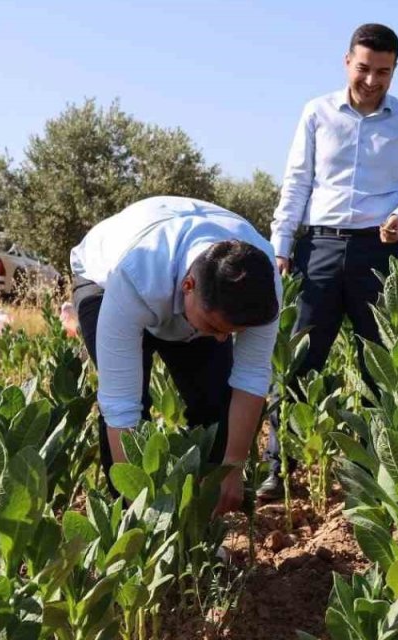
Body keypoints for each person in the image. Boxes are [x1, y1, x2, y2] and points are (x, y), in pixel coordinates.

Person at [260, 22, 398, 500]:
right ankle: (279, 469)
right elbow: (296, 183)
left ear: (395, 69)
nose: (372, 80)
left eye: (383, 71)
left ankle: (383, 469)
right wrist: (280, 246)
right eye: (364, 68)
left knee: (384, 363)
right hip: (317, 248)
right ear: (347, 62)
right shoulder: (316, 113)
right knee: (297, 361)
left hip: (381, 252)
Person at [70, 196, 280, 515]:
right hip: (103, 279)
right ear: (188, 285)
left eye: (232, 332)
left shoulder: (262, 285)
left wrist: (233, 468)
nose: (223, 338)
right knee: (132, 406)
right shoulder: (135, 276)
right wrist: (144, 517)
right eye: (214, 326)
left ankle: (202, 526)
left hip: (183, 281)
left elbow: (250, 377)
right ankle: (130, 523)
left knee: (214, 402)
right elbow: (120, 407)